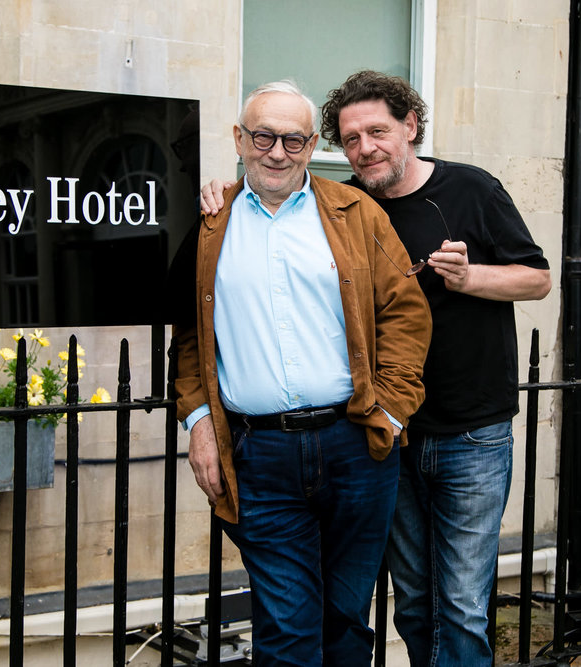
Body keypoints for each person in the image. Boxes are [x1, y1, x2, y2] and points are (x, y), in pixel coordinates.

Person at [201, 70, 552, 666]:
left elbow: (539, 277)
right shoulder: (347, 208)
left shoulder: (469, 189)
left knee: (463, 603)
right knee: (412, 599)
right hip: (386, 440)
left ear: (410, 126)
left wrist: (472, 278)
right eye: (351, 137)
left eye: (378, 131)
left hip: (468, 430)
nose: (365, 147)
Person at [173, 80, 431, 667]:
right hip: (257, 454)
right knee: (287, 629)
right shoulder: (209, 224)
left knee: (345, 620)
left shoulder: (356, 212)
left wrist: (389, 410)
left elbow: (406, 314)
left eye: (293, 139)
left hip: (356, 446)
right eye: (262, 136)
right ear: (238, 140)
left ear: (313, 144)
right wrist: (198, 423)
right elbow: (188, 337)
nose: (277, 151)